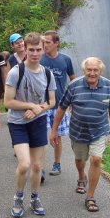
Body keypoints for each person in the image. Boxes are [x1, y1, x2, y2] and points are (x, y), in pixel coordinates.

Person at [49, 57, 110, 213]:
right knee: (80, 159)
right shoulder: (74, 85)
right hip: (78, 131)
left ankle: (90, 197)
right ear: (83, 70)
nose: (92, 73)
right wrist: (54, 130)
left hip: (99, 131)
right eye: (89, 70)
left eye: (95, 70)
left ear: (100, 71)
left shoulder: (109, 86)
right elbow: (62, 108)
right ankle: (81, 176)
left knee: (96, 159)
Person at [4, 32, 56, 218]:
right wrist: (31, 106)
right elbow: (8, 102)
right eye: (31, 50)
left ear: (43, 50)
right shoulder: (15, 72)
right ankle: (18, 198)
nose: (35, 53)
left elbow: (51, 101)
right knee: (25, 164)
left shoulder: (47, 74)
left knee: (37, 166)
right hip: (18, 123)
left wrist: (38, 109)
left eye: (38, 50)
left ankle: (35, 199)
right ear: (25, 49)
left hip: (38, 122)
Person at [40, 30, 75, 182]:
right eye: (44, 42)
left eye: (48, 42)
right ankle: (40, 168)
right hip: (41, 105)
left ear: (56, 43)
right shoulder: (39, 59)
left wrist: (72, 100)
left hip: (60, 105)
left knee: (57, 137)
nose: (45, 45)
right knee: (40, 137)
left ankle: (57, 164)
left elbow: (73, 80)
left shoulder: (65, 60)